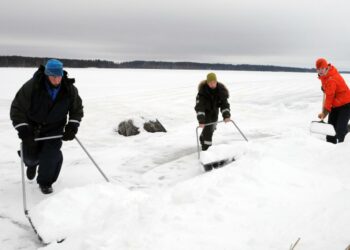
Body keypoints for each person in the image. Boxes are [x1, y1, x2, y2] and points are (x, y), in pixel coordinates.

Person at [10, 59, 84, 194]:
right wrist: (23, 130)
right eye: (53, 76)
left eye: (59, 76)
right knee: (31, 158)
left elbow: (77, 109)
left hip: (54, 129)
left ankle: (45, 182)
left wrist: (72, 126)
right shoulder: (32, 86)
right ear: (47, 75)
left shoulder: (69, 89)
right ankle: (31, 164)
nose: (57, 80)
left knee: (51, 156)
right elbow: (17, 108)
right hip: (33, 128)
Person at [316, 58, 350, 144]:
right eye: (318, 69)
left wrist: (324, 113)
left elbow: (329, 98)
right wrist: (324, 88)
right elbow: (327, 87)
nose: (320, 71)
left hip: (346, 105)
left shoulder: (331, 79)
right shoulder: (325, 76)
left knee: (340, 132)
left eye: (322, 68)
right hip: (335, 105)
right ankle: (330, 149)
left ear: (326, 67)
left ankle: (342, 150)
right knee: (330, 130)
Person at [195, 72, 231, 151]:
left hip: (215, 111)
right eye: (210, 83)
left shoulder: (221, 90)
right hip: (205, 112)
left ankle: (202, 136)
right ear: (207, 83)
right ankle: (207, 149)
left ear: (216, 81)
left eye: (214, 82)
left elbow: (224, 104)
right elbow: (199, 107)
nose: (212, 84)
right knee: (208, 129)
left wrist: (226, 115)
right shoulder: (202, 92)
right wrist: (201, 120)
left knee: (213, 127)